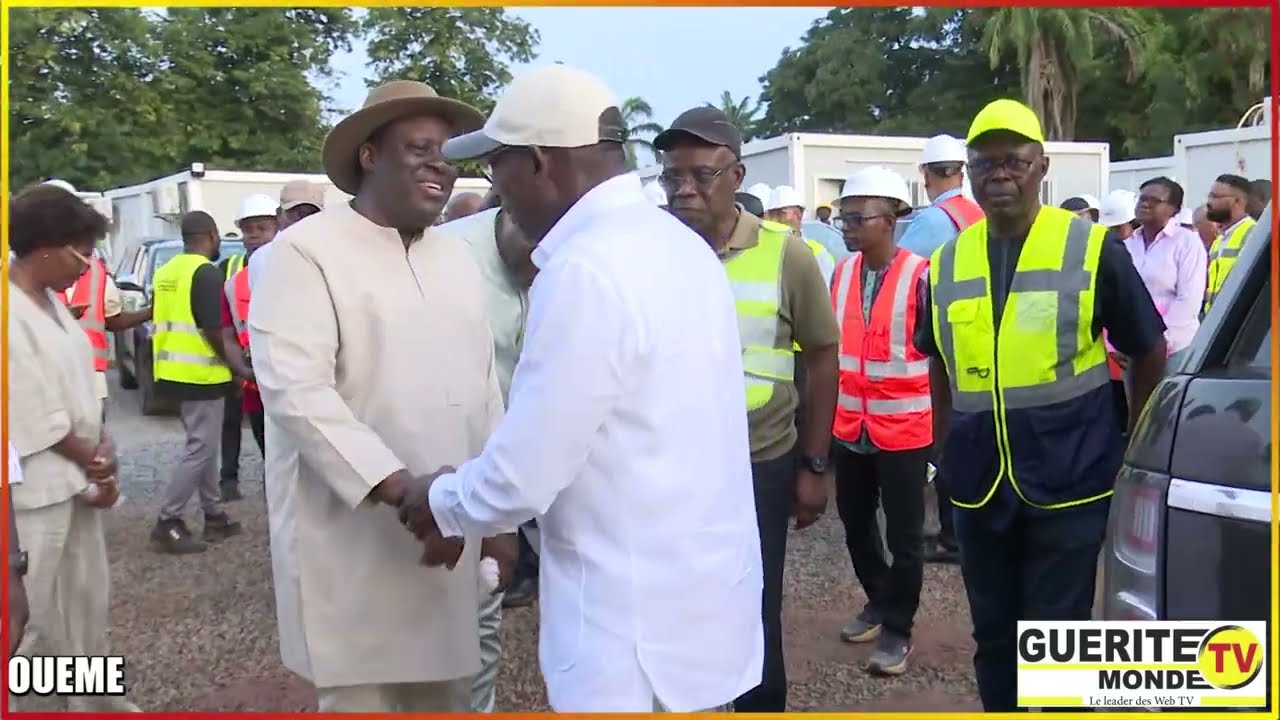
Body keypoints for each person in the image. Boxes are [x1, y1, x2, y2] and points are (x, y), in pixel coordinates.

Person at [411, 64, 764, 713]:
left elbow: (524, 476)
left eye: (498, 167)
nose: (496, 191)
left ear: (540, 162)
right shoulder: (679, 245)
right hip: (702, 622)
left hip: (632, 645)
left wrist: (436, 500)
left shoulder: (585, 271)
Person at [249, 80, 504, 712]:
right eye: (420, 149)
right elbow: (299, 396)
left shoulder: (457, 259)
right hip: (353, 538)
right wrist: (406, 495)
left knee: (447, 700)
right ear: (369, 155)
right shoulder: (303, 254)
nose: (440, 167)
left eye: (448, 155)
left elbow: (484, 388)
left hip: (447, 538)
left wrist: (496, 515)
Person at [921, 99, 1167, 712]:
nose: (999, 173)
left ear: (1042, 167)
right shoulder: (947, 261)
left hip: (1072, 479)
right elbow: (938, 359)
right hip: (980, 483)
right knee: (994, 633)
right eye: (985, 162)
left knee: (1057, 636)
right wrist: (945, 445)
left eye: (1014, 160)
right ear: (970, 172)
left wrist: (1131, 440)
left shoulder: (1089, 247)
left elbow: (1147, 348)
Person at [655, 105, 838, 713]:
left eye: (701, 175)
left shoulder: (787, 255)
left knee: (754, 602)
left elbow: (820, 357)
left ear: (735, 176)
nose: (684, 188)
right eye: (672, 175)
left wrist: (814, 465)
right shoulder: (648, 251)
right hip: (667, 465)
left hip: (760, 462)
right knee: (671, 602)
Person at [6, 185, 139, 711]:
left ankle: (94, 705)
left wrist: (102, 452)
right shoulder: (9, 309)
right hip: (35, 491)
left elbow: (82, 387)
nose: (87, 263)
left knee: (85, 605)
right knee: (38, 614)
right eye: (81, 250)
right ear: (44, 246)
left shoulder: (54, 305)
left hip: (76, 479)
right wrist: (92, 457)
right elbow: (26, 405)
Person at [828, 167, 932, 676]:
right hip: (851, 426)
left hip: (905, 429)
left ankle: (898, 628)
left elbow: (939, 358)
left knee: (906, 537)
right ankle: (880, 598)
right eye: (842, 216)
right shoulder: (841, 274)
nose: (846, 226)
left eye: (856, 217)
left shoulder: (921, 275)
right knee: (854, 525)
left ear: (890, 220)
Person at [436, 191, 532, 713]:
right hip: (451, 467)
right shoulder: (445, 258)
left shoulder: (575, 261)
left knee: (484, 614)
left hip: (527, 462)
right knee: (454, 613)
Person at [896, 134, 984, 562]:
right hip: (976, 336)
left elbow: (900, 272)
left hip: (938, 339)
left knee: (942, 435)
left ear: (926, 175)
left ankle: (950, 534)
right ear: (962, 171)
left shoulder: (933, 220)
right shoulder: (976, 211)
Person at [150, 211, 243, 554]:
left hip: (172, 371)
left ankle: (213, 514)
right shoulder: (205, 272)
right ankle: (168, 520)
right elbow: (212, 328)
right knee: (200, 447)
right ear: (212, 235)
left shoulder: (166, 272)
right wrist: (236, 366)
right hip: (202, 372)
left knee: (204, 445)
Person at [218, 194, 278, 501]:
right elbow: (228, 334)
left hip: (295, 382)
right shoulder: (232, 282)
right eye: (248, 229)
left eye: (262, 228)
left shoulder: (299, 271)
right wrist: (242, 371)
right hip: (256, 388)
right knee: (272, 456)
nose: (254, 236)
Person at [62, 248, 151, 420]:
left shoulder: (98, 274)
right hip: (49, 378)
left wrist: (150, 312)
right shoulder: (34, 274)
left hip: (91, 377)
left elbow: (113, 320)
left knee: (91, 437)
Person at [1126, 177, 1206, 368]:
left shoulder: (1187, 242)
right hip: (1135, 347)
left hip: (1175, 347)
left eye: (1154, 201)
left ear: (1174, 210)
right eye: (1142, 199)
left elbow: (1189, 299)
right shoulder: (1128, 245)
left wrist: (1161, 340)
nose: (1145, 204)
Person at [899, 134, 985, 260]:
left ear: (927, 177)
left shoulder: (929, 220)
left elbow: (896, 266)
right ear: (961, 177)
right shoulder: (979, 213)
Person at [247, 179, 326, 293]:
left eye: (310, 213)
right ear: (279, 215)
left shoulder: (332, 256)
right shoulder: (262, 258)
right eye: (295, 213)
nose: (302, 220)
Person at [1204, 174, 1258, 313]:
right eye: (1209, 196)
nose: (1209, 202)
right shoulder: (1219, 240)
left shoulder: (1252, 234)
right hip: (1216, 319)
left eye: (1216, 197)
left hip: (1239, 320)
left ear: (1237, 201)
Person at [767, 185, 836, 286]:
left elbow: (824, 293)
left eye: (780, 213)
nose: (774, 219)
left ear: (798, 214)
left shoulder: (816, 252)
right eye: (772, 214)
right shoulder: (761, 248)